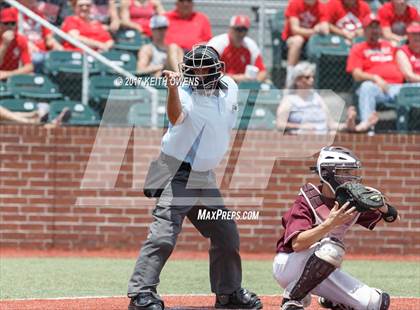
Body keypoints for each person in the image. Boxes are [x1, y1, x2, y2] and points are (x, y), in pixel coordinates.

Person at [126, 45, 262, 310]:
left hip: (204, 178)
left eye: (204, 68)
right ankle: (141, 295)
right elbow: (176, 118)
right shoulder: (184, 92)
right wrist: (173, 89)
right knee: (163, 235)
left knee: (226, 235)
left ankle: (228, 293)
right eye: (193, 68)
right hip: (177, 172)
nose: (198, 74)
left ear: (216, 69)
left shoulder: (230, 86)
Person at [273, 146, 398, 310]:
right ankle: (292, 298)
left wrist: (382, 206)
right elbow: (297, 244)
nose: (350, 178)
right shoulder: (308, 199)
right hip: (288, 265)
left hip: (323, 270)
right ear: (326, 174)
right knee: (331, 247)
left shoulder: (351, 201)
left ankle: (329, 299)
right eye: (344, 172)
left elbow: (391, 217)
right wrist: (329, 224)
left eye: (351, 172)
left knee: (377, 303)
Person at [276, 62, 371, 134]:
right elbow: (280, 124)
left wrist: (348, 124)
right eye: (307, 77)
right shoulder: (289, 100)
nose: (312, 80)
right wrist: (301, 127)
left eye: (313, 77)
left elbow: (331, 124)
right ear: (297, 80)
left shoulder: (316, 98)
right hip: (301, 143)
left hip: (322, 141)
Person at [346, 13, 404, 132]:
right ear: (364, 30)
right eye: (371, 27)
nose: (374, 30)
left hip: (397, 88)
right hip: (376, 89)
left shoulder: (390, 46)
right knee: (366, 87)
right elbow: (356, 74)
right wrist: (375, 78)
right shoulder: (358, 48)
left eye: (377, 27)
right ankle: (367, 128)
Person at [208, 15, 267, 83]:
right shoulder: (218, 44)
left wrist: (254, 82)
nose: (241, 33)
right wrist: (235, 78)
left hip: (243, 86)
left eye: (244, 30)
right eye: (238, 29)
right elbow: (207, 70)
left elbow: (262, 71)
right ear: (230, 29)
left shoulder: (250, 45)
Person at [282, 0, 329, 85]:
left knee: (320, 42)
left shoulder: (322, 7)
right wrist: (313, 31)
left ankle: (319, 83)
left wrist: (320, 27)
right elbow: (295, 29)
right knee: (298, 40)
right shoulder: (295, 3)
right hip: (291, 40)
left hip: (311, 42)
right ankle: (290, 78)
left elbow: (326, 29)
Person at [14, 0, 63, 73]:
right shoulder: (13, 12)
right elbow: (13, 34)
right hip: (24, 52)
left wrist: (60, 49)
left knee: (62, 58)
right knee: (38, 58)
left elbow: (49, 38)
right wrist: (27, 44)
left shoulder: (38, 14)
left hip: (42, 52)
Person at [0, 8, 33, 80]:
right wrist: (5, 44)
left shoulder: (20, 39)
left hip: (11, 77)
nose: (9, 27)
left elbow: (29, 66)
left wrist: (9, 74)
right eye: (6, 23)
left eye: (13, 23)